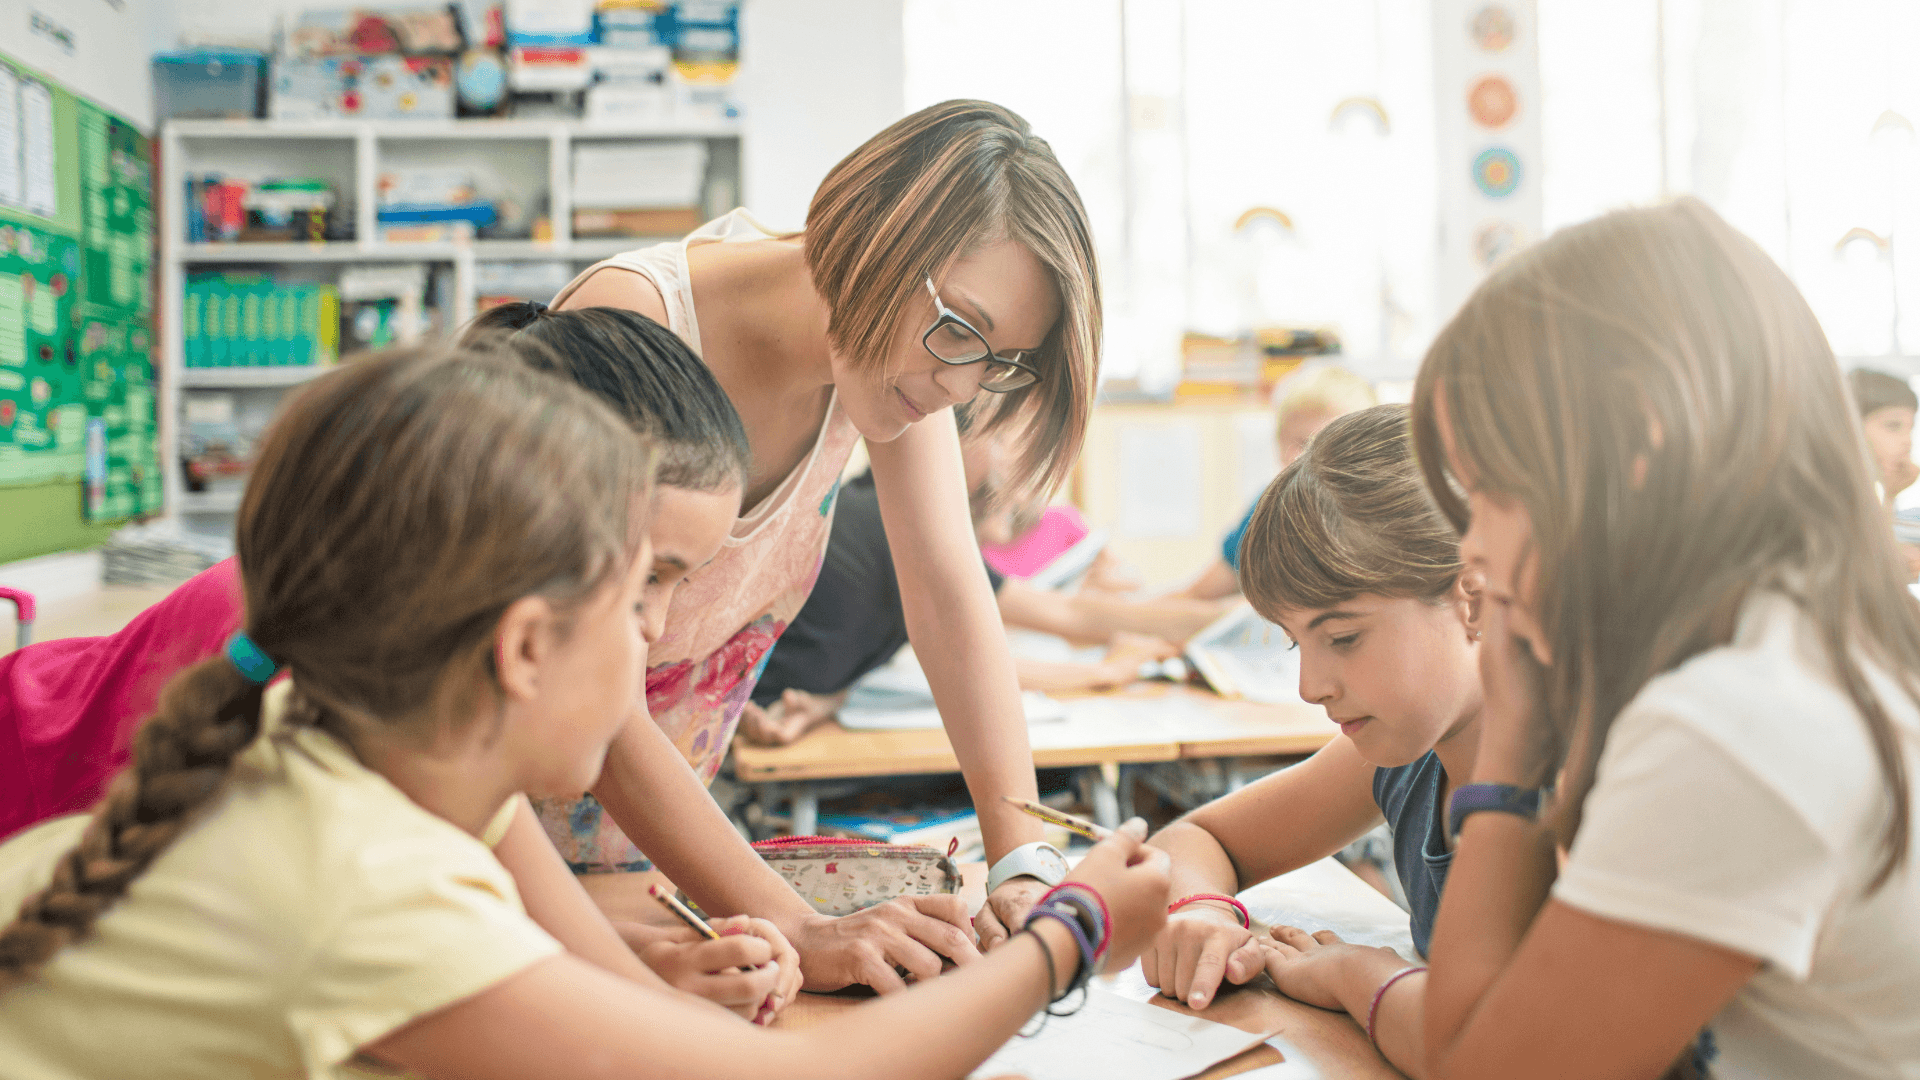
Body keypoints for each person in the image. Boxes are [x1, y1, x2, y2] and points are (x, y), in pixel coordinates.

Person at [0, 346, 1174, 1080]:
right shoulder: (363, 875)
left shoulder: (348, 759)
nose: (661, 638)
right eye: (642, 595)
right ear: (522, 646)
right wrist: (1069, 932)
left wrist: (644, 981)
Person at [0, 306, 813, 1020]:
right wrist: (634, 983)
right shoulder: (342, 666)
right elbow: (418, 948)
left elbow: (521, 927)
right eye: (646, 578)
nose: (658, 627)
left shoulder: (439, 667)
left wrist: (648, 961)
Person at [550, 99, 1103, 970]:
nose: (962, 389)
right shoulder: (637, 322)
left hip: (645, 875)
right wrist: (803, 927)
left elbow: (951, 603)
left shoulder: (898, 363)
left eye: (997, 363)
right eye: (962, 329)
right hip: (502, 849)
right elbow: (589, 675)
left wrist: (1023, 864)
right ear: (875, 236)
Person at [1409, 197, 1920, 1078]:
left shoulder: (1732, 726)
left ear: (1641, 437)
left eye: (1492, 489)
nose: (1472, 548)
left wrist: (1510, 751)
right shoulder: (1811, 647)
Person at [1136, 404, 1481, 1079]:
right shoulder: (1407, 755)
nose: (1309, 686)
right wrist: (1202, 910)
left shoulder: (1582, 777)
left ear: (1473, 599)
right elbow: (1198, 838)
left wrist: (1356, 975)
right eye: (1296, 643)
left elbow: (1499, 1050)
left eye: (1343, 637)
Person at [738, 428, 1221, 747]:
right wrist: (1106, 671)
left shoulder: (874, 510)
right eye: (1001, 439)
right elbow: (1005, 649)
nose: (1009, 464)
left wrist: (826, 703)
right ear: (952, 439)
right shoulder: (901, 529)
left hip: (771, 721)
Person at [1175, 363, 1378, 601]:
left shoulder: (1381, 515)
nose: (1305, 458)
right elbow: (1200, 594)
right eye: (1300, 443)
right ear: (1278, 445)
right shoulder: (1269, 511)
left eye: (1324, 444)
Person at [1848, 367, 1920, 580]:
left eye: (1910, 429)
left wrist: (1891, 494)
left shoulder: (1867, 492)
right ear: (1850, 424)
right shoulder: (1832, 492)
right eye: (1893, 426)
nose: (1907, 442)